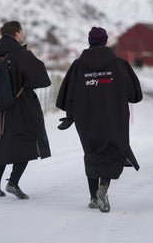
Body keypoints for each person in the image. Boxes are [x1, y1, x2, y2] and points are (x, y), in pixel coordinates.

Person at [56, 27, 142, 213]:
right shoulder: (119, 64)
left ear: (89, 41)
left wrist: (71, 115)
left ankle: (94, 198)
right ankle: (103, 188)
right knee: (112, 152)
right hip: (115, 117)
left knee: (92, 153)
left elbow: (64, 97)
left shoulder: (78, 66)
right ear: (105, 41)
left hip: (86, 118)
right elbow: (135, 95)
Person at [0, 21, 51, 199]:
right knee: (26, 143)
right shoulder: (22, 54)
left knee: (1, 144)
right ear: (17, 33)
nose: (22, 34)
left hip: (0, 109)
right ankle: (13, 182)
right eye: (21, 31)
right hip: (22, 106)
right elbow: (44, 80)